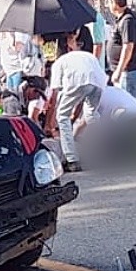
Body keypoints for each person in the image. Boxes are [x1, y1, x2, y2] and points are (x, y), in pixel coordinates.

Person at [47, 27, 107, 174]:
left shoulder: (60, 62)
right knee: (92, 114)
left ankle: (72, 159)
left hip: (78, 81)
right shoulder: (87, 55)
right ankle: (100, 153)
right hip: (98, 82)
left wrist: (49, 122)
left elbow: (55, 94)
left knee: (62, 116)